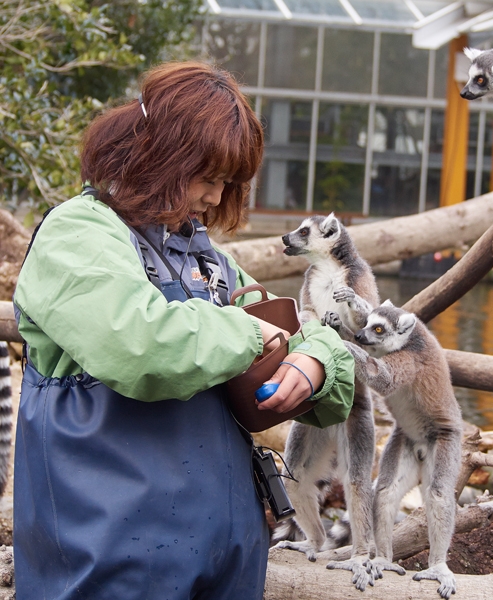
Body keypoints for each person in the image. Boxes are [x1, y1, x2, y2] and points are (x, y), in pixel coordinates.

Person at [12, 61, 355, 599]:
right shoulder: (77, 234)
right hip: (109, 564)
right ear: (163, 154)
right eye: (209, 177)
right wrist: (247, 336)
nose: (217, 199)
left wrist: (314, 365)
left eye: (228, 183)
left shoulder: (206, 261)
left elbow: (306, 331)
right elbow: (138, 345)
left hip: (225, 563)